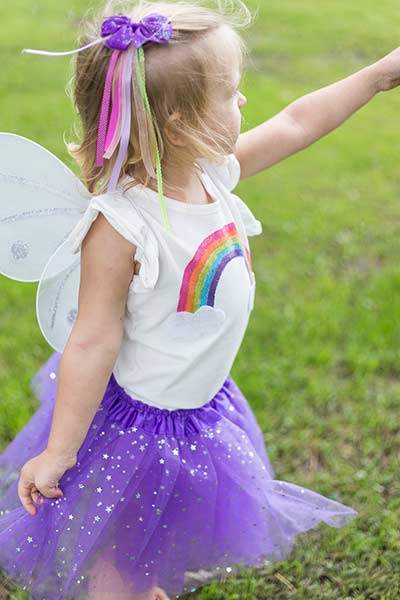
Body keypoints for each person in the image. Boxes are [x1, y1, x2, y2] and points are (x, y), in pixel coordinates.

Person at [0, 0, 399, 598]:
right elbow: (92, 337)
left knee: (150, 540)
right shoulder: (123, 225)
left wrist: (379, 75)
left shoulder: (209, 174)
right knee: (123, 551)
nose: (243, 102)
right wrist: (60, 451)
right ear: (183, 122)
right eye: (231, 92)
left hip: (199, 403)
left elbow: (296, 123)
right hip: (145, 427)